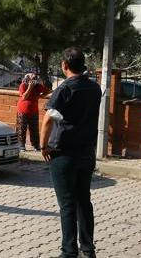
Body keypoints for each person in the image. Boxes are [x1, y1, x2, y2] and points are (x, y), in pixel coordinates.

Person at [41, 47, 101, 258]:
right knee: (84, 200)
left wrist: (43, 145)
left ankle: (68, 252)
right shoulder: (95, 88)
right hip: (86, 152)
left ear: (64, 65)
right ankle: (88, 249)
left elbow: (49, 118)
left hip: (63, 152)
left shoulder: (65, 88)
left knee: (67, 204)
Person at [17, 73, 48, 151]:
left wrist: (39, 96)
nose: (34, 77)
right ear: (27, 78)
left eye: (35, 77)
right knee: (22, 128)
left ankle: (35, 145)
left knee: (34, 128)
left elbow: (47, 91)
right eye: (32, 76)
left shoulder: (38, 86)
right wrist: (30, 87)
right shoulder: (23, 85)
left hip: (34, 111)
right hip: (22, 110)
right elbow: (24, 97)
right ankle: (21, 145)